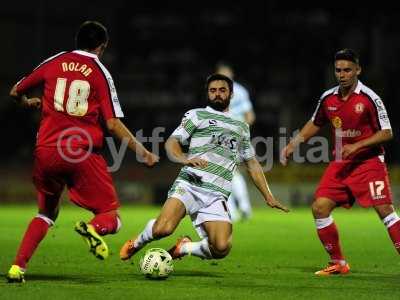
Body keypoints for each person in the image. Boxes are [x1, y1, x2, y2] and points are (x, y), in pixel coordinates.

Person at [6, 21, 159, 283]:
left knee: (45, 213)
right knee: (111, 216)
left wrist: (26, 101)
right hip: (79, 154)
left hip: (45, 151)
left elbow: (15, 91)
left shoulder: (55, 61)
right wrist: (142, 151)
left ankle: (17, 267)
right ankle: (92, 228)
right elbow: (112, 124)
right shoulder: (100, 72)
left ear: (77, 40)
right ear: (103, 46)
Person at [119, 73, 288, 263]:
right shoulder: (196, 114)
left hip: (216, 194)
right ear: (207, 93)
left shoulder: (241, 126)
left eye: (222, 90)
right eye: (213, 90)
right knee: (162, 229)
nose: (217, 94)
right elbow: (172, 142)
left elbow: (252, 162)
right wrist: (183, 157)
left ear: (231, 94)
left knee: (221, 248)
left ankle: (185, 247)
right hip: (190, 184)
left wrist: (268, 195)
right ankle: (138, 242)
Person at [281, 49, 398, 276]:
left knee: (385, 210)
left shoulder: (369, 98)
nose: (342, 74)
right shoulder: (328, 98)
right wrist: (292, 144)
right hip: (341, 163)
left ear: (357, 70)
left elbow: (387, 132)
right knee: (319, 207)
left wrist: (357, 145)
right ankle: (338, 262)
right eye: (338, 70)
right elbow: (315, 122)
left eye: (347, 70)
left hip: (369, 162)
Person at [216, 62, 256, 221]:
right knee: (232, 172)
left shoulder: (219, 93)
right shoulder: (241, 91)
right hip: (235, 133)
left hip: (228, 135)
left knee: (226, 172)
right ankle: (243, 207)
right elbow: (250, 116)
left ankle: (233, 210)